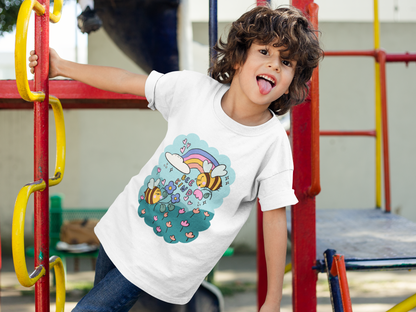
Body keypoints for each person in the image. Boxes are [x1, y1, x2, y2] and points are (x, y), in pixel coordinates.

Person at [29, 5, 322, 311]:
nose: (274, 65)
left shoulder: (271, 142)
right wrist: (61, 66)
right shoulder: (193, 91)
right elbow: (125, 81)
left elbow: (274, 219)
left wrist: (272, 299)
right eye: (264, 52)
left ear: (292, 79)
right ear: (238, 58)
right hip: (124, 230)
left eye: (286, 62)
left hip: (164, 265)